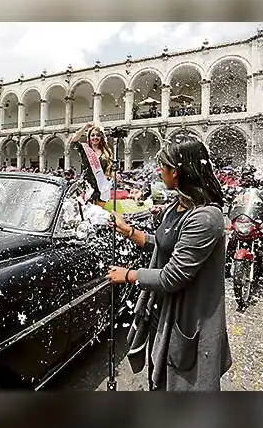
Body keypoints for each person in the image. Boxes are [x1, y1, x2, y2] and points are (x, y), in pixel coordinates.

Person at [106, 140, 232, 391]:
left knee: (180, 384)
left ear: (176, 171)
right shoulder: (178, 206)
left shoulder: (206, 217)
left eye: (162, 166)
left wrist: (129, 275)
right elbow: (166, 244)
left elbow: (172, 276)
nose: (158, 171)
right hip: (162, 311)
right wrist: (128, 230)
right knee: (159, 373)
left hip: (186, 316)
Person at [69, 122, 113, 205]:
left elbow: (109, 169)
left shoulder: (106, 152)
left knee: (99, 213)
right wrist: (84, 128)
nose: (95, 137)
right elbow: (74, 140)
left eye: (98, 135)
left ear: (101, 137)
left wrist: (114, 175)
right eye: (92, 135)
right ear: (89, 137)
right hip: (87, 186)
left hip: (101, 187)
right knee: (87, 213)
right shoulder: (85, 149)